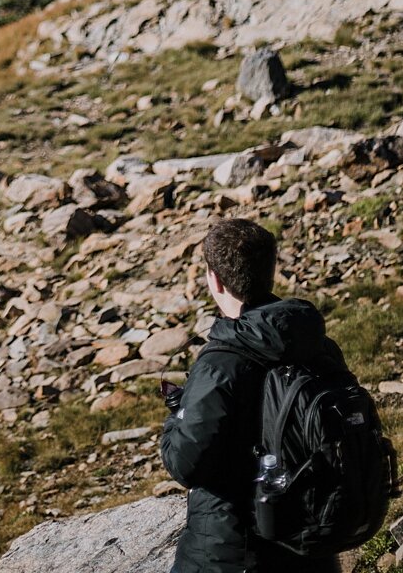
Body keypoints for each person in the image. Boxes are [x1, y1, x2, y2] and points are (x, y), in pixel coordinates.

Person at [160, 218, 342, 573]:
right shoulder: (316, 343)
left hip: (232, 551)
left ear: (214, 279)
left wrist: (175, 418)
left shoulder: (221, 364)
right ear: (270, 271)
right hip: (311, 542)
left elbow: (184, 463)